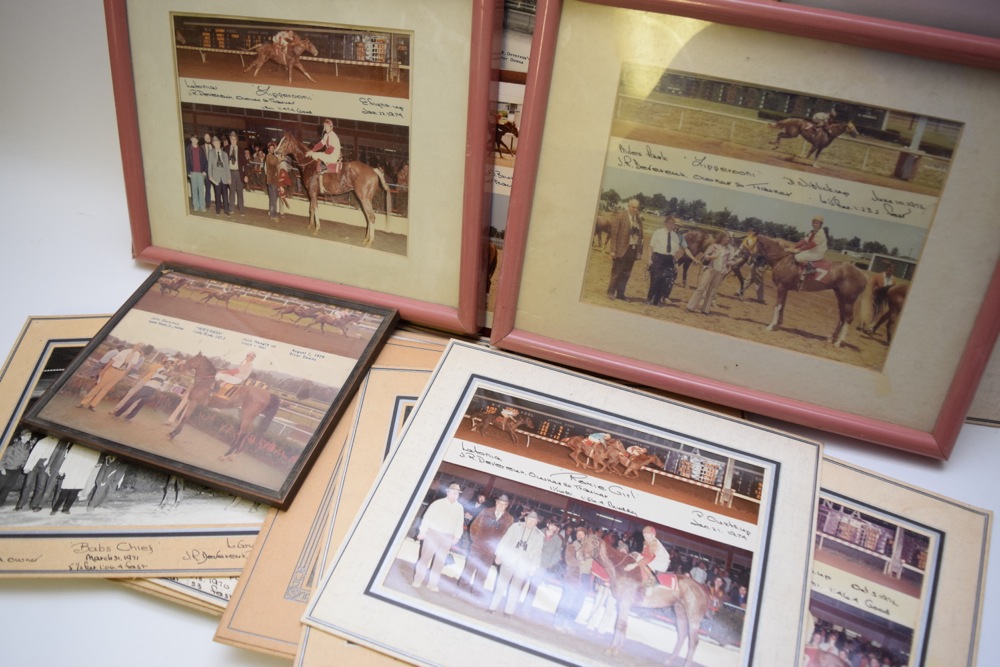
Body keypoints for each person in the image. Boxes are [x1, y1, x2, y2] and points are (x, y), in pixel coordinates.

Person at [488, 510, 545, 617]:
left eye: (533, 521)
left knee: (515, 589)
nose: (530, 523)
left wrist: (533, 568)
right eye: (529, 520)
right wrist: (499, 555)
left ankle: (508, 612)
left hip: (523, 566)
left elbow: (538, 553)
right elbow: (504, 541)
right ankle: (492, 607)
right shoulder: (515, 527)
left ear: (537, 522)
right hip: (509, 561)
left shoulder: (539, 535)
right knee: (500, 585)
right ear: (525, 519)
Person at [413, 482, 465, 592]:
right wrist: (422, 531)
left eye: (456, 494)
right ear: (448, 492)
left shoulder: (459, 508)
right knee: (425, 558)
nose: (454, 495)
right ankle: (417, 580)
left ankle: (432, 584)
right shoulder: (437, 503)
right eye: (452, 493)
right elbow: (427, 518)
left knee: (440, 562)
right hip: (433, 534)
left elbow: (459, 523)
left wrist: (457, 536)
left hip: (447, 537)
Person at [458, 493, 513, 595]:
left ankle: (475, 593)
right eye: (499, 503)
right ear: (496, 502)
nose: (501, 506)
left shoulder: (509, 519)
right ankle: (460, 589)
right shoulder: (486, 511)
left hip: (491, 551)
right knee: (469, 568)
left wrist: (498, 550)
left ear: (507, 506)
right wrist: (476, 540)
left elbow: (508, 538)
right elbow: (474, 526)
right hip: (477, 547)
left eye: (504, 504)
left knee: (483, 572)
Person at [76, 342, 145, 411]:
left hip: (121, 372)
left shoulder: (137, 355)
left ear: (141, 349)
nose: (137, 348)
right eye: (137, 345)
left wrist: (124, 375)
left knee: (106, 389)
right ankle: (83, 403)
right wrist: (103, 371)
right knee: (98, 386)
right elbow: (112, 360)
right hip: (112, 370)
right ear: (134, 345)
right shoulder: (125, 351)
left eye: (140, 347)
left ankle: (93, 405)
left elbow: (131, 366)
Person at [646, 215, 694, 305]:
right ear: (666, 223)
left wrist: (675, 263)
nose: (672, 225)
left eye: (673, 224)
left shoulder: (675, 236)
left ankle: (656, 301)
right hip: (658, 257)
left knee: (665, 281)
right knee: (655, 280)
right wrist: (649, 259)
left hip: (669, 260)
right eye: (670, 223)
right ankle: (649, 299)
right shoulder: (658, 232)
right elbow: (651, 247)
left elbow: (674, 253)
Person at [687, 231, 736, 314]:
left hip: (720, 272)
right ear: (722, 237)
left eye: (729, 238)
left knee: (712, 291)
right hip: (710, 269)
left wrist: (735, 262)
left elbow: (729, 261)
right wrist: (710, 257)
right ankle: (690, 306)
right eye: (726, 237)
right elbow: (704, 256)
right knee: (701, 288)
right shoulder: (713, 246)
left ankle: (705, 309)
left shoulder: (729, 249)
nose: (728, 239)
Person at [521, 519, 564, 613]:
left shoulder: (558, 540)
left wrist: (548, 564)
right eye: (552, 524)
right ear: (548, 524)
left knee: (533, 588)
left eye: (555, 526)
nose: (553, 527)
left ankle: (526, 609)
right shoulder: (537, 532)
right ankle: (512, 603)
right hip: (530, 562)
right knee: (521, 582)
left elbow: (557, 555)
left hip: (542, 566)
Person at [553, 526, 591, 633]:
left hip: (584, 578)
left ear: (585, 535)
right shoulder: (572, 546)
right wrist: (580, 562)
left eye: (581, 534)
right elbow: (569, 561)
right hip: (572, 577)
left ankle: (568, 623)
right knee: (567, 600)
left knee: (578, 603)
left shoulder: (590, 548)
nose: (580, 536)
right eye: (578, 534)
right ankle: (558, 622)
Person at [606, 199, 644, 301]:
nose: (635, 209)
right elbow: (614, 235)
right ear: (628, 206)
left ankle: (621, 294)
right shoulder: (620, 216)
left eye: (637, 207)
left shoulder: (638, 220)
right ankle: (610, 291)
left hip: (633, 249)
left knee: (627, 273)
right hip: (621, 249)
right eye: (633, 207)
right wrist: (613, 249)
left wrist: (639, 251)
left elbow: (641, 236)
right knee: (617, 272)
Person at [50, 443, 101, 515]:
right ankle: (55, 509)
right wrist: (62, 470)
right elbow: (68, 459)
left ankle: (66, 509)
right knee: (64, 492)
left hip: (82, 475)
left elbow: (94, 462)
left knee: (74, 493)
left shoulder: (96, 449)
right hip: (71, 472)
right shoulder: (76, 446)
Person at [15, 435, 60, 511]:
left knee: (41, 486)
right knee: (27, 484)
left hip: (45, 464)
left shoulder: (57, 442)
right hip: (34, 463)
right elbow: (33, 454)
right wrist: (27, 467)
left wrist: (48, 466)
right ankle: (20, 504)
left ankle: (34, 504)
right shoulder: (42, 441)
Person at [0, 430, 34, 508]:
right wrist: (2, 469)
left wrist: (25, 467)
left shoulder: (27, 448)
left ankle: (1, 503)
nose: (27, 437)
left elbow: (25, 459)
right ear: (21, 436)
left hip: (16, 470)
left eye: (29, 436)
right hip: (7, 469)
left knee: (8, 487)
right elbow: (3, 458)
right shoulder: (13, 446)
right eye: (26, 436)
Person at [792, 215, 829, 282]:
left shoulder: (820, 233)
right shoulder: (812, 232)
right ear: (812, 223)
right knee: (796, 253)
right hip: (813, 251)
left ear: (820, 224)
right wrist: (793, 247)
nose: (815, 224)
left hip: (818, 253)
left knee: (798, 256)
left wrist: (799, 249)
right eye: (814, 223)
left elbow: (812, 244)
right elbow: (804, 241)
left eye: (817, 223)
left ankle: (811, 268)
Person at [207, 135, 232, 215]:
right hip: (216, 178)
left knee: (225, 195)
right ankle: (218, 210)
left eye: (218, 142)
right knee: (217, 194)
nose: (217, 144)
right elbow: (209, 165)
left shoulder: (224, 154)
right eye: (215, 143)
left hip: (224, 177)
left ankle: (226, 210)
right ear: (213, 144)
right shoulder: (211, 153)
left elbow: (227, 167)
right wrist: (210, 176)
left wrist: (229, 178)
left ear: (220, 143)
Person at [185, 135, 207, 212]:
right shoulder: (188, 149)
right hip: (192, 173)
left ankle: (202, 206)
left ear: (197, 140)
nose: (194, 141)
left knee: (201, 190)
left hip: (200, 173)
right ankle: (196, 206)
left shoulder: (201, 149)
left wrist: (205, 171)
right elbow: (186, 161)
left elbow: (205, 161)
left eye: (196, 139)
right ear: (191, 140)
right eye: (193, 139)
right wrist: (188, 172)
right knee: (194, 190)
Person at [226, 131, 246, 215]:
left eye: (235, 139)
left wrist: (245, 175)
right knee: (232, 192)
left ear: (237, 140)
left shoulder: (241, 149)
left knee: (240, 192)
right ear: (230, 140)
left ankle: (241, 209)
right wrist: (226, 176)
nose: (233, 141)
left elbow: (245, 164)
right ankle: (231, 209)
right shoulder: (226, 149)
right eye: (232, 139)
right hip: (230, 172)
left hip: (239, 173)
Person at [264, 141, 281, 219]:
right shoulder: (269, 156)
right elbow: (274, 162)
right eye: (271, 148)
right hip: (271, 181)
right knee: (273, 198)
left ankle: (272, 213)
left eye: (273, 148)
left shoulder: (273, 156)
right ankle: (273, 215)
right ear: (268, 150)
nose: (272, 149)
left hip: (274, 181)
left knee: (274, 198)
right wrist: (280, 158)